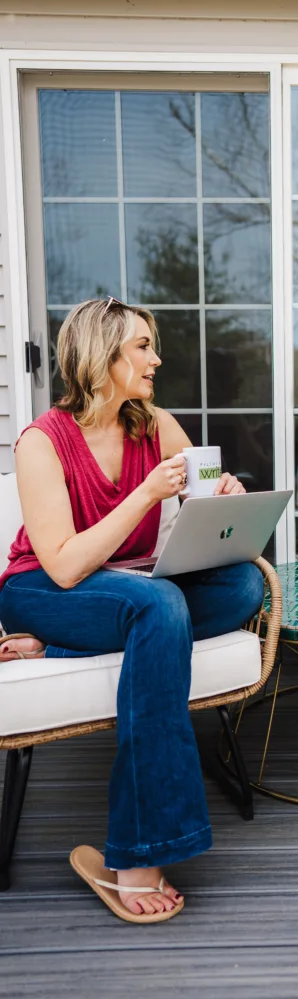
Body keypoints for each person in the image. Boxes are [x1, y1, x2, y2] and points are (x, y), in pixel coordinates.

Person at [0, 297, 265, 922]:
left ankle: (55, 647)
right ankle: (136, 852)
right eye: (143, 345)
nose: (156, 358)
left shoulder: (157, 425)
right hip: (42, 589)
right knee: (160, 605)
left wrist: (227, 498)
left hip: (130, 588)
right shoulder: (42, 442)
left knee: (242, 589)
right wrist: (147, 493)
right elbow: (64, 564)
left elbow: (207, 521)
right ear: (102, 355)